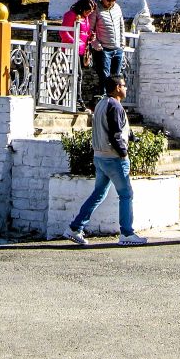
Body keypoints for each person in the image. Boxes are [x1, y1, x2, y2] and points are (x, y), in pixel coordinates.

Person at [63, 76, 146, 247]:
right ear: (117, 88)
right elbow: (115, 133)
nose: (126, 89)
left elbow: (115, 128)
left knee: (98, 193)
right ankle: (127, 233)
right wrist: (123, 153)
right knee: (126, 194)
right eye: (124, 85)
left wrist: (131, 136)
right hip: (113, 158)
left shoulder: (101, 104)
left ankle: (75, 228)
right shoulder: (114, 106)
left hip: (100, 156)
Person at [90, 0, 125, 85]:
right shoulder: (96, 9)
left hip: (117, 49)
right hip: (104, 49)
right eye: (108, 0)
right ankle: (105, 99)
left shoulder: (117, 8)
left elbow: (121, 26)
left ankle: (114, 100)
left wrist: (122, 44)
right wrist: (96, 45)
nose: (111, 3)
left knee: (116, 80)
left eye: (113, 0)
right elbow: (90, 29)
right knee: (105, 79)